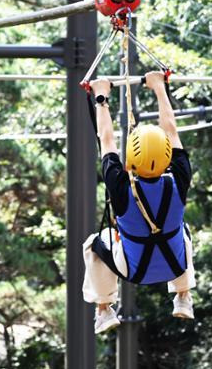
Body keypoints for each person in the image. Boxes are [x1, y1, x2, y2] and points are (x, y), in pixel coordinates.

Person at [82, 71, 196, 334]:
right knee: (182, 230)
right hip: (173, 265)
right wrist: (158, 87)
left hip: (134, 270)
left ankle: (104, 309)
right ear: (167, 155)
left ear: (131, 158)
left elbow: (106, 139)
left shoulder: (121, 186)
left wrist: (101, 97)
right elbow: (171, 129)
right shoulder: (179, 179)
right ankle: (183, 295)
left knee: (92, 244)